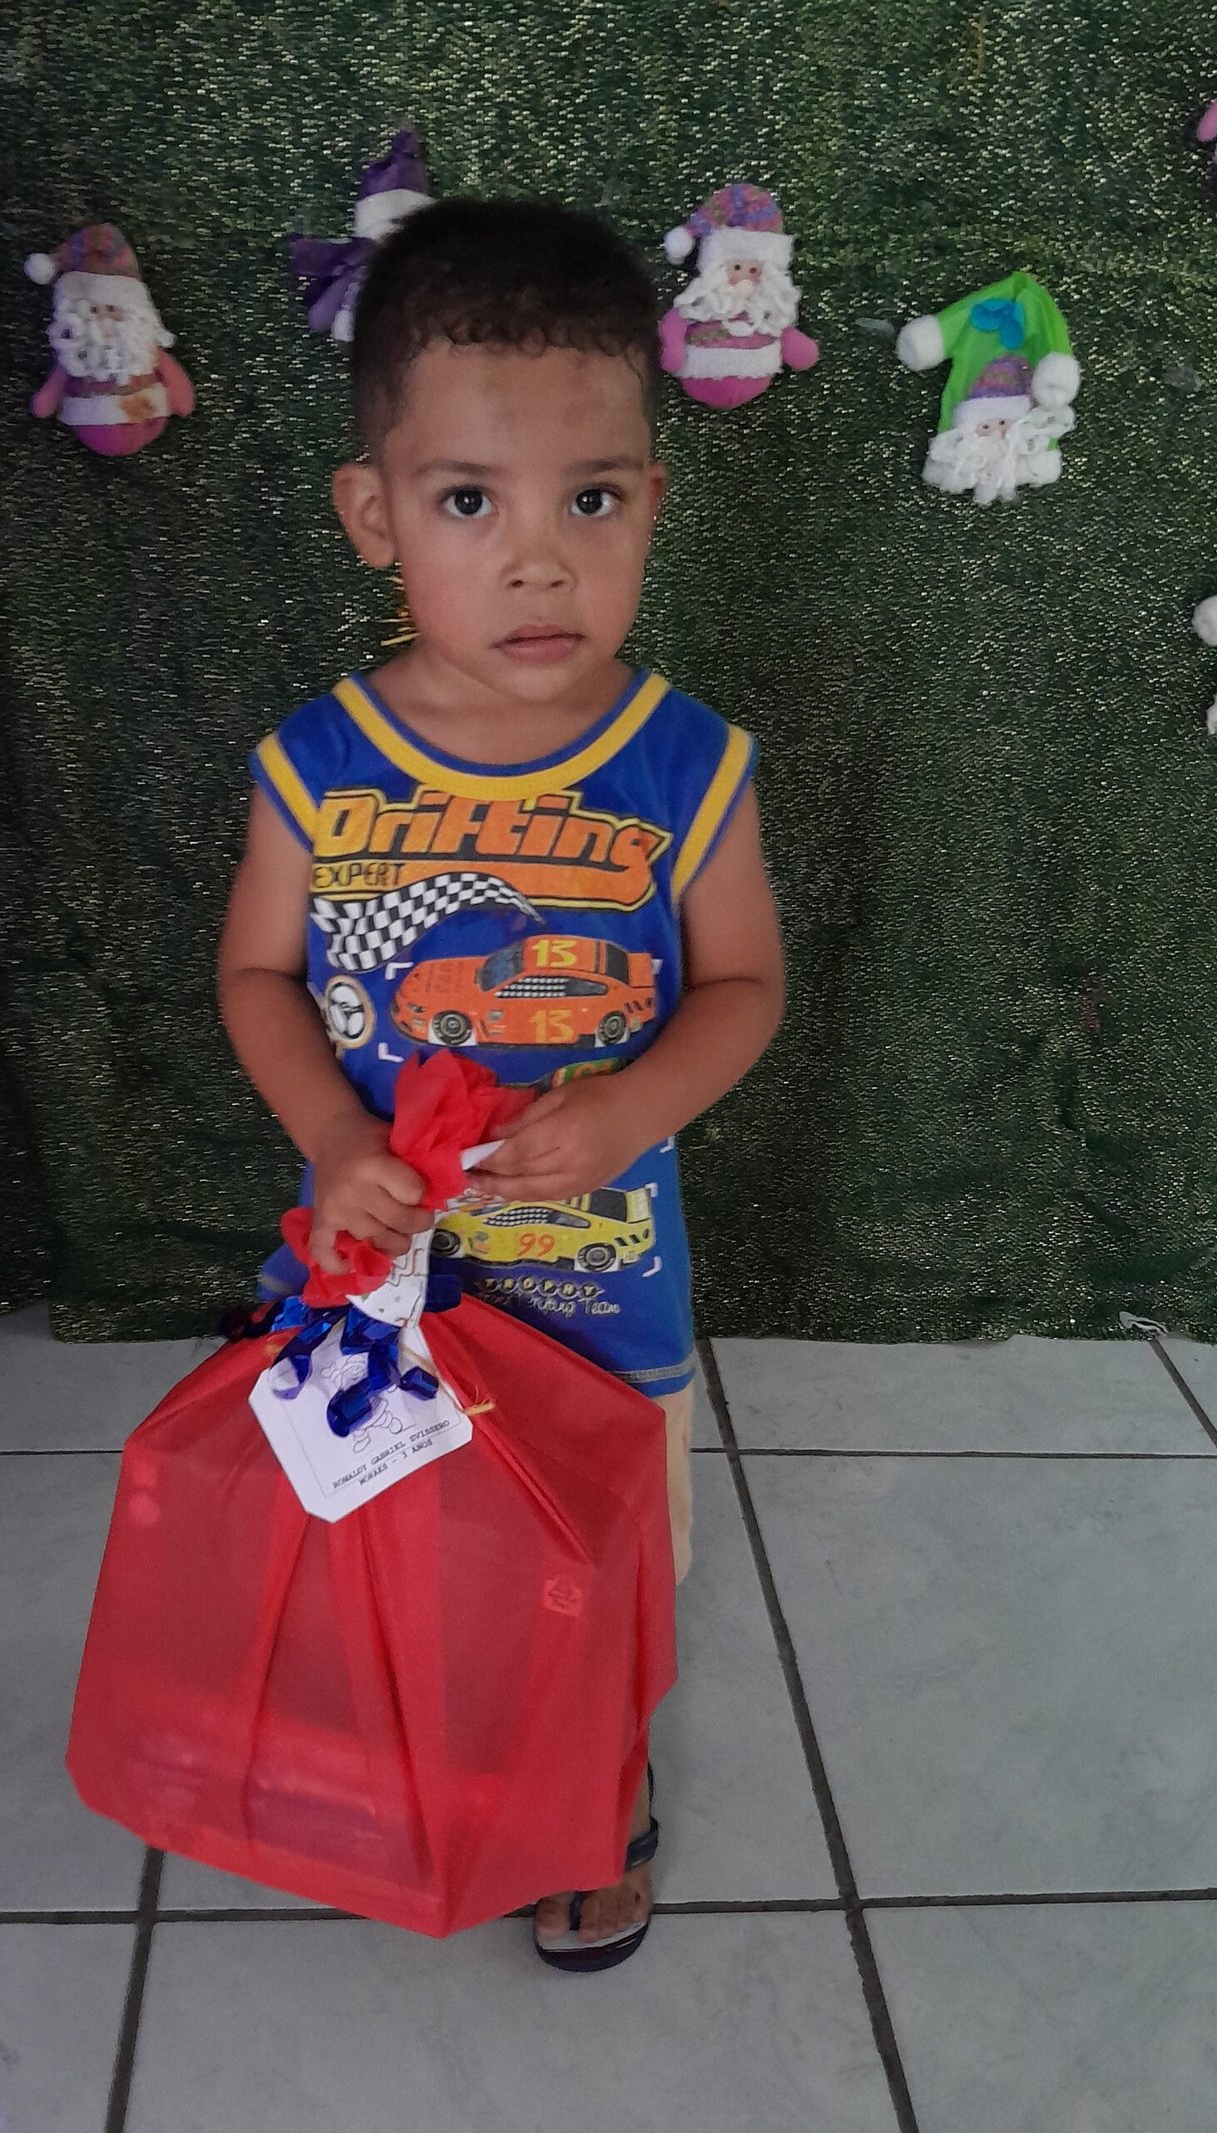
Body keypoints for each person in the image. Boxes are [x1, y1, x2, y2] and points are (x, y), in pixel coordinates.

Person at [216, 197, 786, 1972]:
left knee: (599, 1572)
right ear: (373, 515)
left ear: (651, 504)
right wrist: (332, 1134)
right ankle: (443, 1745)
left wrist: (626, 1110)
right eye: (471, 502)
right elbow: (255, 976)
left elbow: (747, 986)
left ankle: (593, 1790)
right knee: (424, 1553)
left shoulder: (688, 763)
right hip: (392, 1285)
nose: (540, 563)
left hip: (604, 1300)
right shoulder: (315, 765)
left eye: (589, 501)